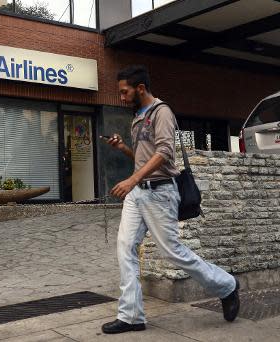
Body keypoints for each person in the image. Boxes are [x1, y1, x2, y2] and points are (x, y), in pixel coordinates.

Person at [101, 65, 240, 334]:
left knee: (172, 252)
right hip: (139, 192)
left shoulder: (161, 112)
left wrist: (131, 180)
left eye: (124, 91)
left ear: (140, 88)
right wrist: (123, 149)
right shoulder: (137, 116)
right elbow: (144, 159)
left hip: (160, 192)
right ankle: (131, 316)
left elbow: (165, 153)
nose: (121, 97)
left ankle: (227, 286)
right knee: (125, 247)